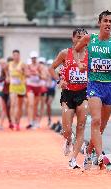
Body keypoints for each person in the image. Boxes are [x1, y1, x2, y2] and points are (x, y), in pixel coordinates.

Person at [75, 10, 111, 170]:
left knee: (102, 126)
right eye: (105, 21)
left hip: (109, 86)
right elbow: (76, 50)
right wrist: (80, 63)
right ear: (99, 23)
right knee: (96, 120)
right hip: (94, 84)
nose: (108, 24)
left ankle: (90, 150)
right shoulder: (89, 39)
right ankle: (100, 158)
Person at [49, 28, 88, 169]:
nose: (81, 40)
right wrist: (59, 81)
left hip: (84, 93)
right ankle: (68, 139)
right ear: (73, 39)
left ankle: (73, 159)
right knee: (66, 129)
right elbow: (51, 68)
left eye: (84, 38)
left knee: (81, 126)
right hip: (68, 94)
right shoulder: (66, 53)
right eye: (78, 37)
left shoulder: (90, 55)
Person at [25, 51, 44, 129]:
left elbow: (44, 76)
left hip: (38, 87)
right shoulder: (28, 66)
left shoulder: (40, 66)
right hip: (30, 86)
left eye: (35, 58)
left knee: (36, 106)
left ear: (36, 58)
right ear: (31, 58)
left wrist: (38, 74)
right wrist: (31, 73)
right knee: (31, 104)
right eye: (32, 58)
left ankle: (34, 120)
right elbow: (26, 74)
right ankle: (30, 121)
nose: (33, 59)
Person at [8, 50, 26, 131]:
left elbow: (27, 74)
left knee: (19, 106)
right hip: (12, 87)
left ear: (19, 56)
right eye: (14, 55)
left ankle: (18, 122)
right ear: (12, 56)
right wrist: (7, 77)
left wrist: (22, 72)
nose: (15, 56)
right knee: (13, 104)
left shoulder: (22, 64)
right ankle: (13, 122)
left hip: (21, 87)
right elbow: (6, 72)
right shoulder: (10, 64)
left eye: (17, 55)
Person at [45, 59, 56, 126]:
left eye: (51, 65)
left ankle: (49, 118)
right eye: (49, 65)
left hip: (52, 91)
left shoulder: (55, 72)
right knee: (46, 105)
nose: (50, 66)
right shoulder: (45, 72)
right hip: (45, 90)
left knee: (49, 103)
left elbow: (59, 79)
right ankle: (48, 118)